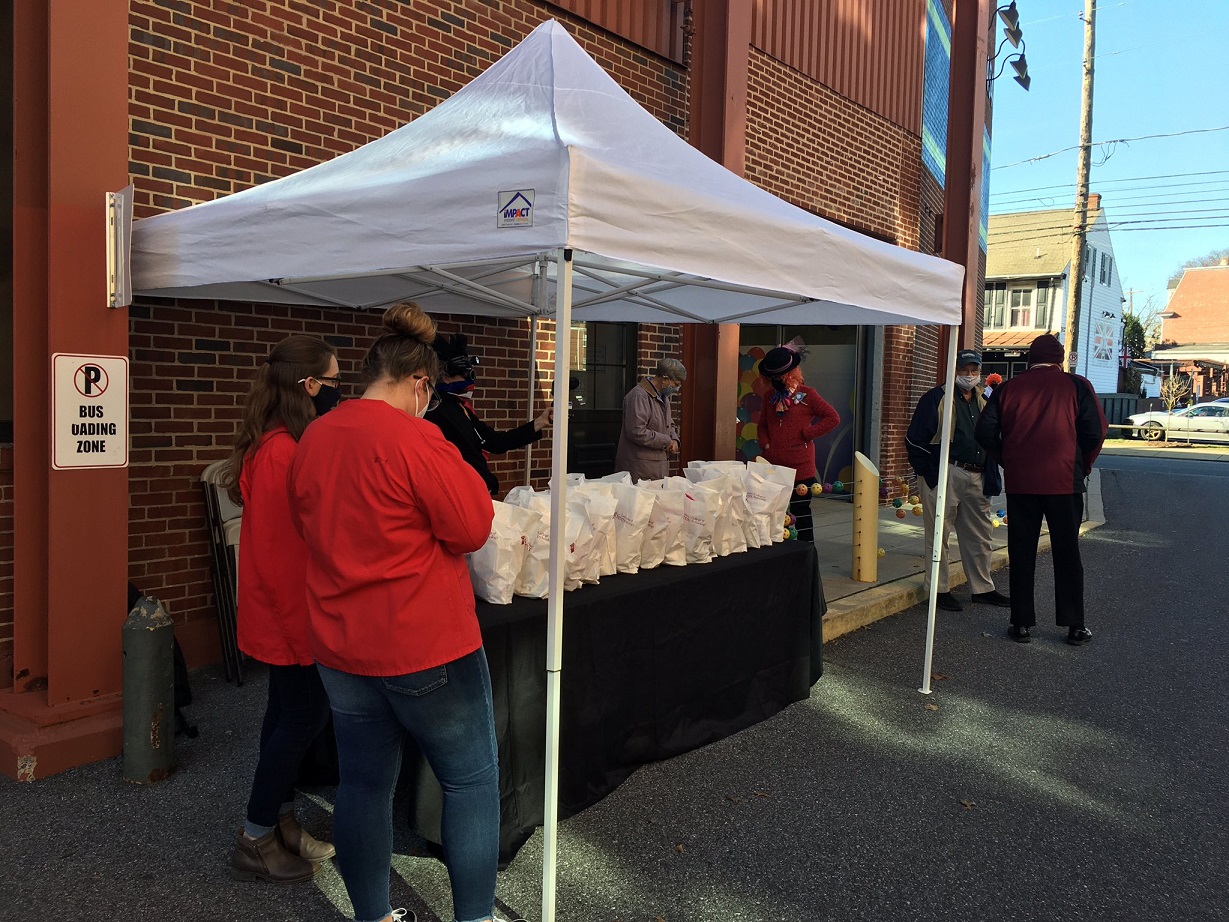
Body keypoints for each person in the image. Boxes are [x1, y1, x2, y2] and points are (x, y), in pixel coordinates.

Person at [288, 302, 500, 922]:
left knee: (363, 786)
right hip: (424, 643)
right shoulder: (416, 436)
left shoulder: (315, 437)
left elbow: (310, 526)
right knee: (469, 782)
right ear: (419, 383)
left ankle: (373, 914)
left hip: (341, 645)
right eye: (426, 395)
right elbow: (472, 525)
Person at [222, 334, 341, 884]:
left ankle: (279, 819)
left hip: (287, 615)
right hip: (292, 617)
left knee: (284, 715)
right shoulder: (281, 454)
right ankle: (254, 835)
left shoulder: (277, 444)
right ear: (310, 386)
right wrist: (306, 632)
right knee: (300, 719)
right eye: (333, 382)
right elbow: (281, 558)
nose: (338, 393)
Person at [975, 333, 1108, 646]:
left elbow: (985, 431)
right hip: (1064, 481)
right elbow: (1095, 430)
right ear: (1059, 359)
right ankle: (1075, 625)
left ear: (1029, 359)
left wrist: (1006, 458)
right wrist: (1082, 465)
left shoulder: (1008, 388)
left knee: (1022, 551)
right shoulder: (1077, 385)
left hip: (1022, 483)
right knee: (1067, 553)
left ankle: (1021, 623)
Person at [904, 349, 1010, 612]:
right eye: (964, 370)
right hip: (946, 471)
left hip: (978, 473)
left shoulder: (984, 399)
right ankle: (939, 590)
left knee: (980, 535)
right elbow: (914, 440)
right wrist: (930, 473)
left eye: (974, 370)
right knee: (939, 533)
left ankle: (983, 588)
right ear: (954, 370)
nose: (970, 375)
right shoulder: (936, 398)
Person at [425, 332, 551, 495]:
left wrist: (540, 421)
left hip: (476, 491)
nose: (470, 382)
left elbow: (495, 442)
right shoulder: (437, 410)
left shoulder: (459, 408)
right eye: (463, 375)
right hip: (462, 493)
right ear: (445, 378)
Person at [756, 343, 840, 542]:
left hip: (800, 465)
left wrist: (807, 433)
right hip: (773, 465)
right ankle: (777, 552)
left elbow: (832, 417)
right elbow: (762, 425)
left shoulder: (807, 395)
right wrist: (766, 444)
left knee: (801, 511)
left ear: (790, 374)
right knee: (774, 512)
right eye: (772, 378)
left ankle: (806, 551)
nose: (775, 381)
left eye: (779, 377)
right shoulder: (769, 397)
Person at [615, 358, 686, 482]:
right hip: (640, 469)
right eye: (676, 384)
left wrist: (674, 439)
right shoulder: (638, 396)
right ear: (665, 379)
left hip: (656, 467)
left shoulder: (664, 397)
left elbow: (669, 423)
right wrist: (666, 441)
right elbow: (636, 432)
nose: (677, 389)